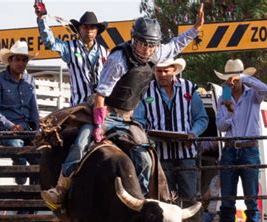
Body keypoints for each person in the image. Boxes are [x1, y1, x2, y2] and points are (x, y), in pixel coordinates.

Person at [41, 5, 206, 209]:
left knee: (145, 155)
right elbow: (101, 94)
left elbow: (176, 44)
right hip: (107, 112)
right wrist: (99, 125)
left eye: (150, 45)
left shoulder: (156, 54)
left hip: (128, 118)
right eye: (141, 43)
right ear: (133, 39)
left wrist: (196, 29)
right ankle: (61, 187)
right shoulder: (118, 59)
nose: (145, 49)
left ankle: (142, 200)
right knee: (82, 142)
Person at [133, 58, 208, 206]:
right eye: (158, 71)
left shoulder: (189, 88)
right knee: (165, 200)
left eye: (166, 71)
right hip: (160, 155)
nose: (161, 74)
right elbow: (138, 120)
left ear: (174, 70)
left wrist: (193, 133)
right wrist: (146, 136)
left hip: (186, 153)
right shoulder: (146, 90)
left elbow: (201, 118)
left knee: (190, 199)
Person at [215, 58, 267, 222]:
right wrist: (230, 113)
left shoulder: (252, 94)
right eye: (230, 78)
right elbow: (221, 126)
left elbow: (265, 88)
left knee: (251, 201)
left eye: (234, 78)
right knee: (227, 200)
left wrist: (245, 77)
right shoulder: (224, 97)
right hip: (231, 148)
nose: (232, 82)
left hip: (248, 149)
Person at [0, 41, 40, 185]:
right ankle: (21, 184)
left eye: (24, 60)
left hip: (27, 128)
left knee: (41, 156)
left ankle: (31, 196)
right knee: (19, 150)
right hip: (6, 130)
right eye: (18, 59)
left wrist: (38, 131)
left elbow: (33, 108)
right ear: (10, 60)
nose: (21, 63)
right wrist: (10, 125)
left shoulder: (30, 80)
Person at [36, 9, 108, 106]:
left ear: (97, 30)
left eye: (92, 27)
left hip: (101, 106)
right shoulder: (69, 48)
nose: (89, 30)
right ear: (79, 29)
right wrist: (41, 19)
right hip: (79, 106)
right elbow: (50, 42)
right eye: (85, 27)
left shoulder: (103, 51)